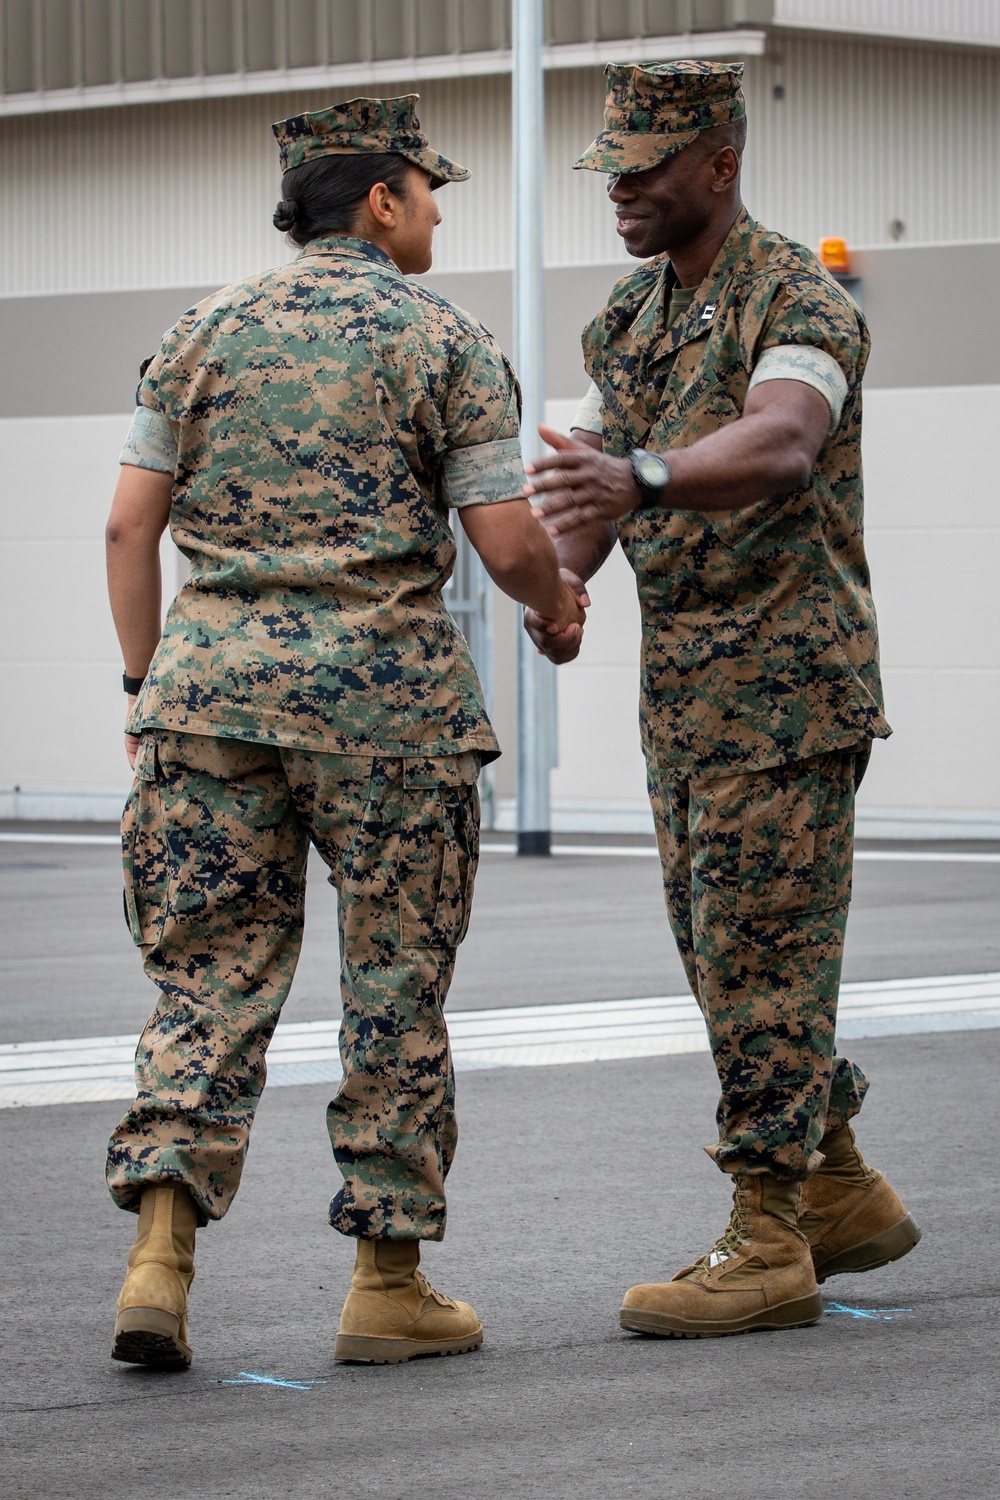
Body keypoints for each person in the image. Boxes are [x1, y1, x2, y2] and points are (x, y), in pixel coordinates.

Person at [104, 94, 584, 1369]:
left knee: (202, 983)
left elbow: (125, 529)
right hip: (388, 716)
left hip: (207, 704)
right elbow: (503, 536)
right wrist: (555, 608)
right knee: (394, 990)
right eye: (429, 189)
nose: (435, 210)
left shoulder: (197, 332)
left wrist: (153, 685)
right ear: (382, 199)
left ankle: (159, 1262)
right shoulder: (444, 339)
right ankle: (386, 1286)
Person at [523, 61, 920, 1339]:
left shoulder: (796, 297)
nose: (621, 192)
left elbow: (783, 439)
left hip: (789, 688)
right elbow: (591, 488)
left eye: (644, 168)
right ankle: (841, 1184)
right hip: (684, 698)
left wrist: (637, 478)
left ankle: (766, 1237)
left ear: (720, 164)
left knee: (760, 962)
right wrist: (563, 584)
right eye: (611, 171)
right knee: (727, 959)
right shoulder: (625, 322)